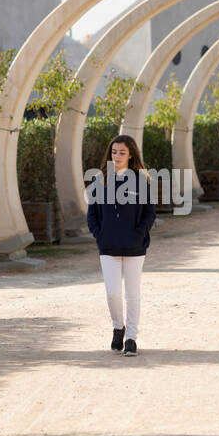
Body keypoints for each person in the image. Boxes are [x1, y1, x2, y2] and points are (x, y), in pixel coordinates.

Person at [86, 135, 157, 357]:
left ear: (131, 155)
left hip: (135, 247)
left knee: (132, 294)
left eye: (122, 153)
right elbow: (92, 216)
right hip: (108, 247)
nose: (117, 156)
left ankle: (132, 338)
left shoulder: (141, 181)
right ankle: (118, 327)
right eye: (114, 152)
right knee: (113, 293)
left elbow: (149, 213)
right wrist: (100, 236)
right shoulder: (100, 181)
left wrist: (139, 234)